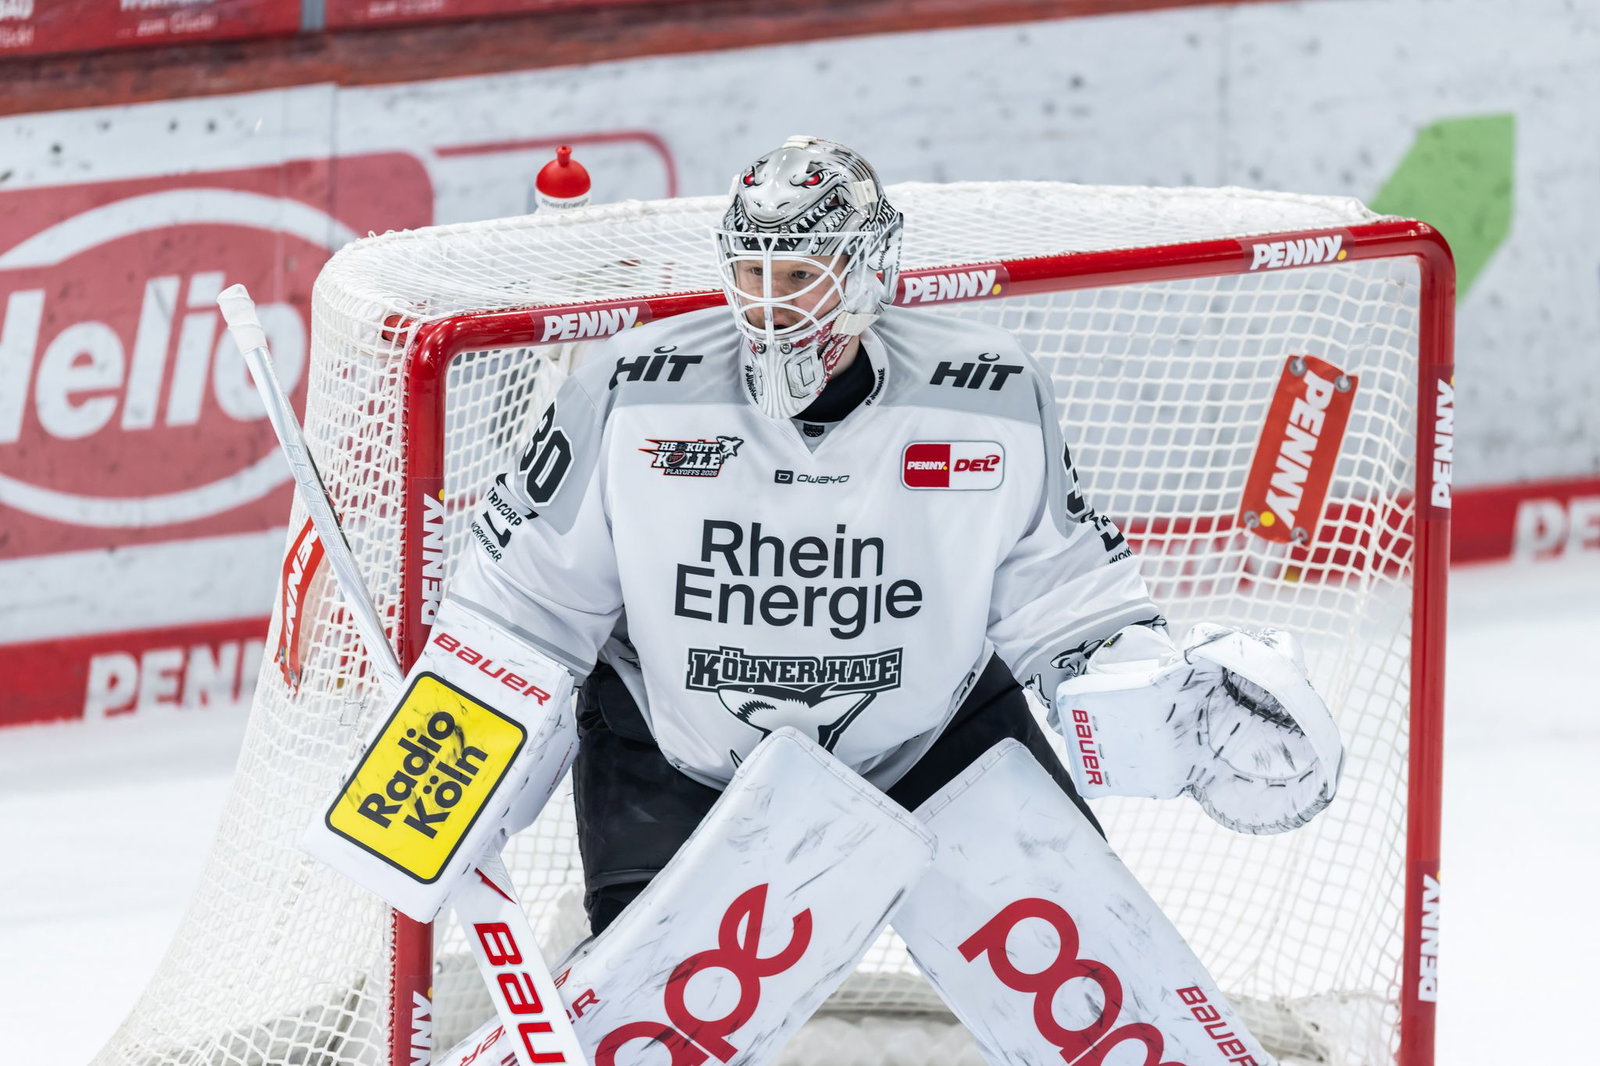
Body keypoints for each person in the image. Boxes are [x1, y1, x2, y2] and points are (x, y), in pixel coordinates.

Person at [438, 133, 1342, 932]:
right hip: (682, 767)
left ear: (869, 271)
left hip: (936, 747)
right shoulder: (632, 390)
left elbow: (1066, 599)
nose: (769, 305)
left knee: (1102, 989)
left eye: (797, 276)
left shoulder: (989, 396)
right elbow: (523, 603)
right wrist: (449, 767)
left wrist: (1156, 707)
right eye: (752, 273)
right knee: (654, 1027)